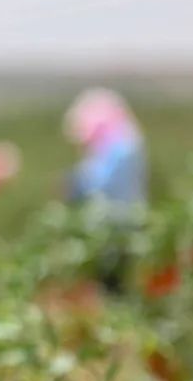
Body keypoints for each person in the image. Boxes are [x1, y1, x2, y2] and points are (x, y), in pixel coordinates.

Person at [62, 88, 147, 293]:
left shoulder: (122, 146)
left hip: (115, 225)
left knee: (111, 281)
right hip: (121, 222)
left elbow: (97, 182)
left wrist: (74, 182)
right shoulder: (126, 141)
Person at [63, 88, 147, 206]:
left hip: (118, 213)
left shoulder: (121, 149)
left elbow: (100, 182)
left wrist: (75, 182)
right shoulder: (127, 140)